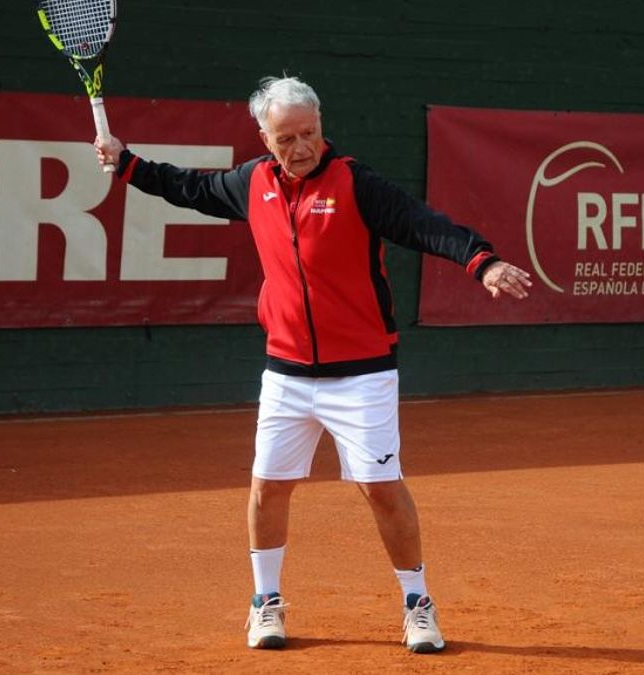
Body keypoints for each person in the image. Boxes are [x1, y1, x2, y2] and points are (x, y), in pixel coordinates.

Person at [94, 75, 532, 654]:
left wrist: (482, 263)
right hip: (286, 375)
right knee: (268, 488)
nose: (301, 147)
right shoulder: (253, 183)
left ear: (322, 127)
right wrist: (127, 164)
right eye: (286, 137)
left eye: (309, 133)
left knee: (381, 489)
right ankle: (265, 603)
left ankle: (417, 603)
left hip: (364, 375)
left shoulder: (356, 182)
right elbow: (189, 188)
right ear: (263, 137)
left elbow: (424, 224)